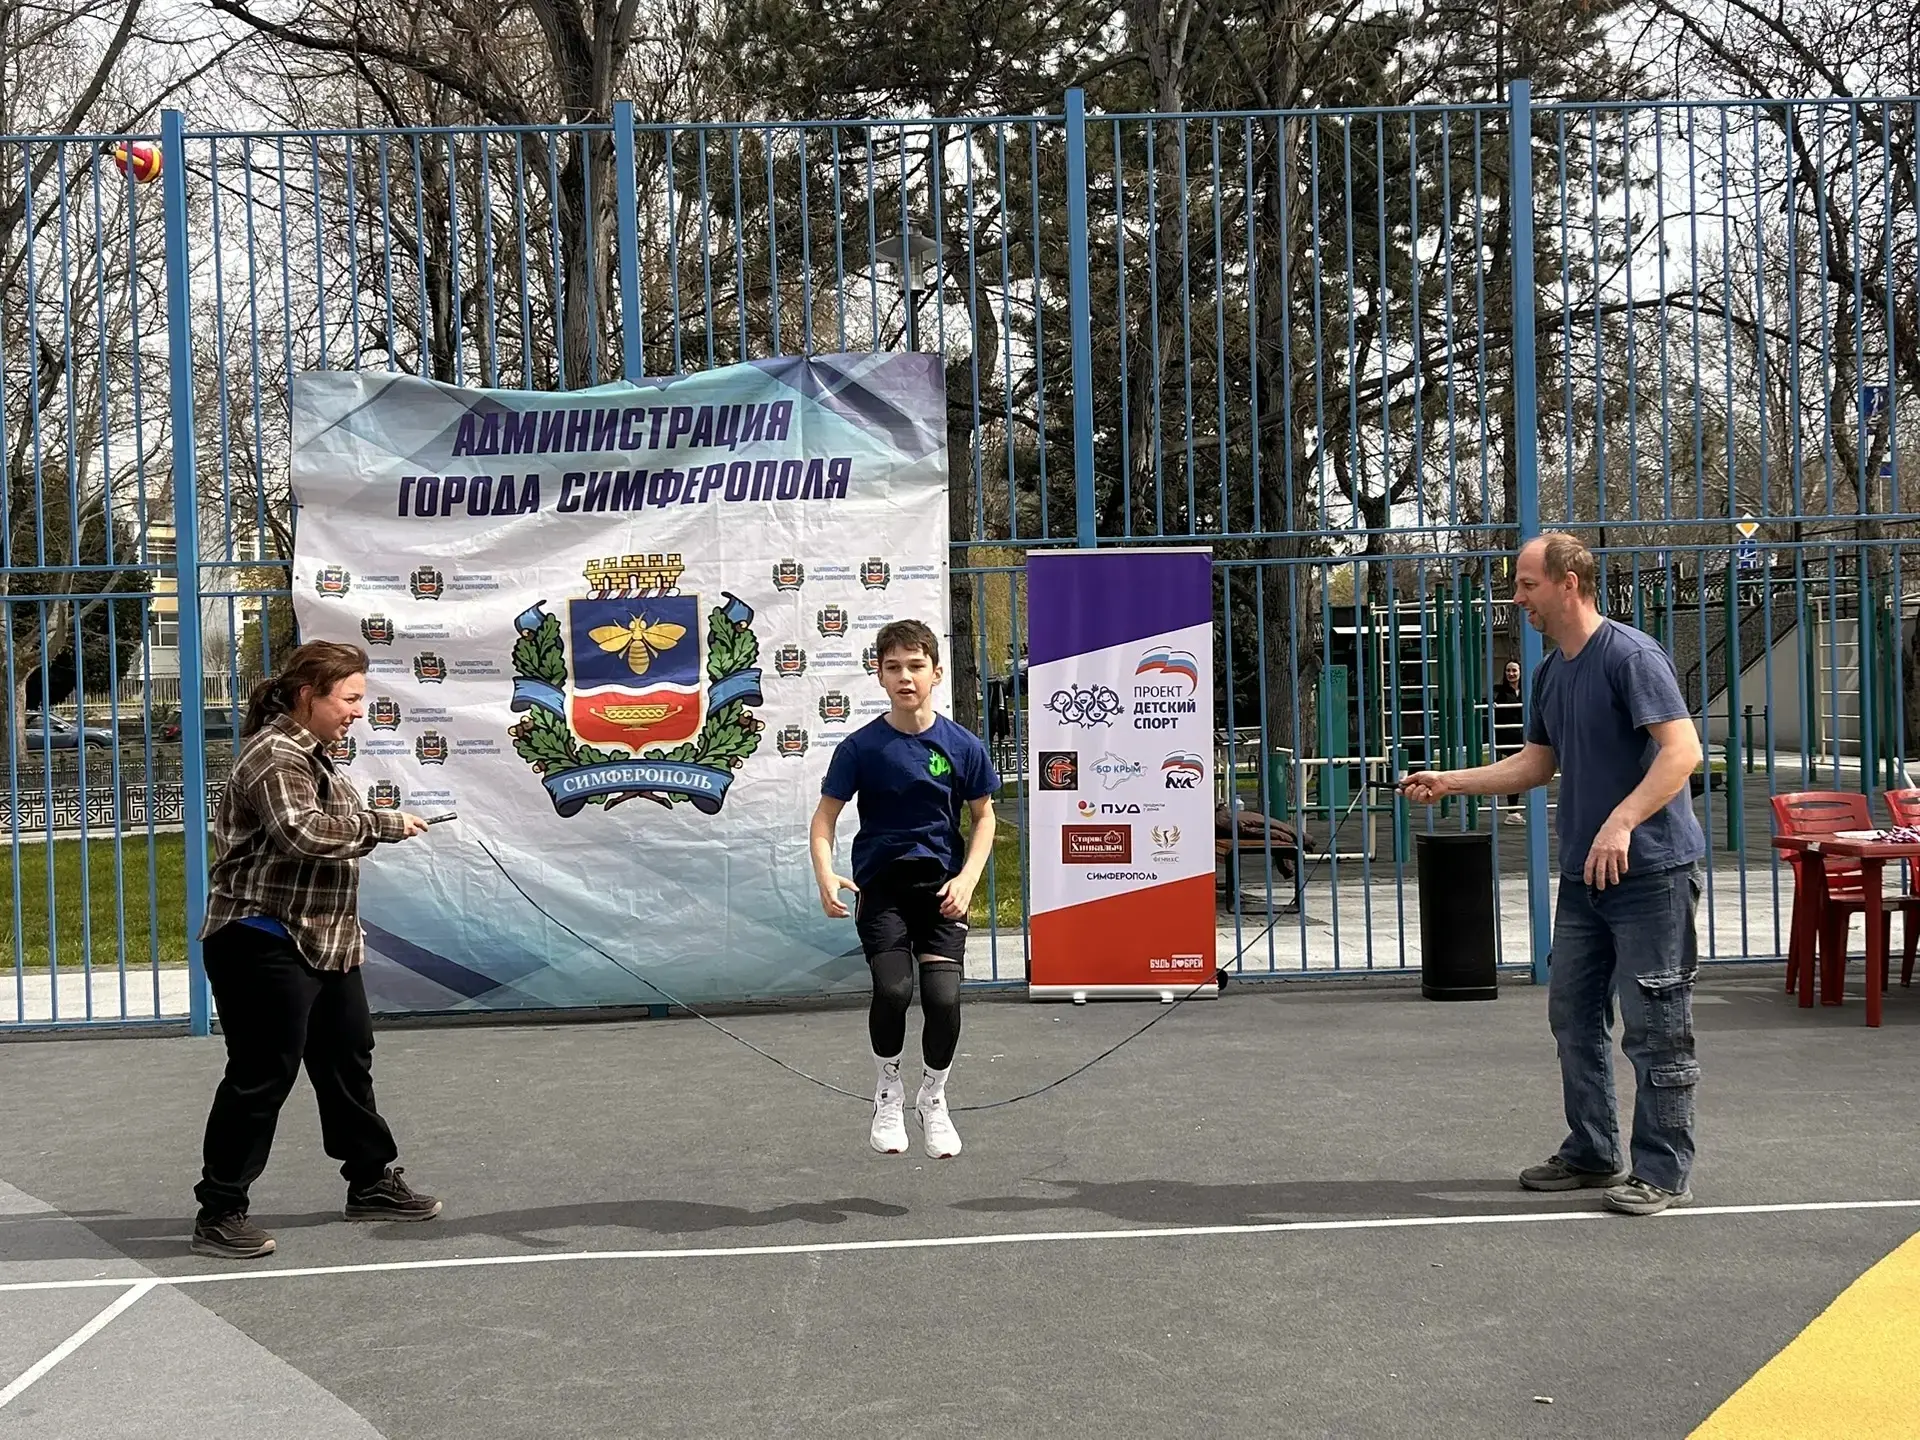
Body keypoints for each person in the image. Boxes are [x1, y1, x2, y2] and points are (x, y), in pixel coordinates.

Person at [1400, 532, 1704, 1217]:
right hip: (1585, 879)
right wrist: (1450, 782)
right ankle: (1593, 1151)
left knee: (1656, 1027)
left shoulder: (1630, 656)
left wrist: (1622, 822)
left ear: (1570, 583)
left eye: (1527, 584)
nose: (1518, 597)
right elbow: (1537, 764)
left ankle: (1663, 1170)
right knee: (1573, 1017)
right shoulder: (1550, 673)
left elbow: (1681, 750)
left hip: (1651, 874)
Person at [189, 640, 442, 1259]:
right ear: (309, 695)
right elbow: (301, 833)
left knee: (346, 1058)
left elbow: (321, 837)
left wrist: (373, 825)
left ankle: (370, 1182)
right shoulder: (275, 754)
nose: (358, 711)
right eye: (349, 698)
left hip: (323, 940)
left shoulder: (315, 756)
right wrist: (383, 823)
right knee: (261, 1075)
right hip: (260, 938)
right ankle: (219, 1210)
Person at [810, 619, 999, 1159]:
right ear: (879, 675)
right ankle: (888, 1092)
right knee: (894, 992)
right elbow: (824, 819)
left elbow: (984, 818)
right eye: (893, 667)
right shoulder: (861, 748)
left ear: (936, 673)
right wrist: (825, 872)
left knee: (943, 1001)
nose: (905, 677)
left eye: (916, 666)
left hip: (942, 890)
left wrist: (967, 879)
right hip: (883, 891)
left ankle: (932, 1098)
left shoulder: (963, 745)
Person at [1493, 660, 1525, 822]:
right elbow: (1499, 716)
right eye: (1508, 671)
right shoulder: (1501, 693)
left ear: (1520, 672)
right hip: (1511, 737)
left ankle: (1516, 810)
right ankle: (1512, 811)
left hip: (1526, 736)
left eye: (1514, 670)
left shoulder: (1527, 690)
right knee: (1516, 774)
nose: (1511, 674)